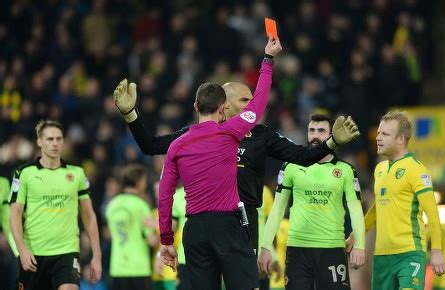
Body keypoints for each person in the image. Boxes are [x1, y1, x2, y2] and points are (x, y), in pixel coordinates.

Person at [113, 51, 360, 265]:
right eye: (244, 100)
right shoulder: (198, 135)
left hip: (245, 221)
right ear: (225, 105)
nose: (251, 104)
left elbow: (303, 157)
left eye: (252, 99)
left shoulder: (263, 136)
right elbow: (151, 145)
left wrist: (331, 143)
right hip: (209, 219)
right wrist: (130, 114)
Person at [154, 36, 282, 290]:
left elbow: (165, 194)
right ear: (223, 108)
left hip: (195, 231)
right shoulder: (230, 132)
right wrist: (268, 59)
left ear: (195, 106)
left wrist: (166, 239)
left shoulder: (177, 146)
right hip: (228, 226)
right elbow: (258, 104)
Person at [258, 114, 366, 290]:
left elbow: (355, 210)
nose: (315, 135)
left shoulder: (346, 170)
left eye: (321, 131)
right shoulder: (291, 166)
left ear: (334, 135)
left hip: (332, 249)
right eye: (312, 130)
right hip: (297, 249)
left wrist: (360, 245)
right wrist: (265, 247)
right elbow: (277, 209)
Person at [357, 110, 445, 290]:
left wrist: (436, 251)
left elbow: (432, 213)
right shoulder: (380, 169)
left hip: (409, 253)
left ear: (400, 139)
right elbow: (378, 207)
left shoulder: (417, 170)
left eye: (385, 134)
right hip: (382, 255)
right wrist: (357, 234)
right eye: (379, 132)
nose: (378, 137)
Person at [9, 120, 102, 290]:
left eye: (59, 139)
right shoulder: (24, 173)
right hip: (34, 253)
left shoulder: (77, 174)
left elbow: (89, 215)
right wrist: (22, 250)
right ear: (40, 142)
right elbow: (14, 214)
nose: (55, 143)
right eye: (50, 139)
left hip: (67, 252)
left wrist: (97, 255)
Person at [105, 163, 156, 290]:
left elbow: (110, 234)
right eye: (144, 181)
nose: (145, 184)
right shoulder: (141, 205)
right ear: (138, 182)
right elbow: (152, 241)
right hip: (138, 268)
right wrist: (158, 228)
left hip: (117, 268)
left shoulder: (112, 205)